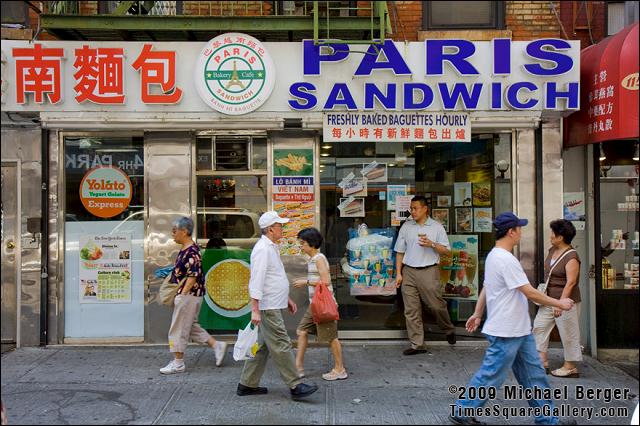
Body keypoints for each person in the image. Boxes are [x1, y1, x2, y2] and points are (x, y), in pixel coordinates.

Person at [449, 212, 576, 426]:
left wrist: (478, 313)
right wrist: (559, 303)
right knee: (492, 375)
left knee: (535, 377)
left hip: (518, 329)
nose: (521, 233)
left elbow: (487, 286)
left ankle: (548, 420)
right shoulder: (505, 259)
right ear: (511, 231)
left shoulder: (494, 256)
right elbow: (529, 292)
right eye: (519, 228)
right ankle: (463, 410)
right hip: (506, 330)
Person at [236, 211, 319, 400]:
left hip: (272, 303)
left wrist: (286, 298)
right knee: (281, 343)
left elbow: (274, 277)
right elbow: (256, 280)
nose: (283, 228)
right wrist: (255, 309)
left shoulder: (271, 247)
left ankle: (247, 384)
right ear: (271, 229)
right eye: (280, 225)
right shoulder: (263, 249)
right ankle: (295, 385)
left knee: (264, 346)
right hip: (267, 306)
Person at [160, 216, 228, 374]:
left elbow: (193, 276)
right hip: (188, 294)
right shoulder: (186, 249)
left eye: (175, 231)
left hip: (189, 295)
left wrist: (181, 295)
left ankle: (178, 363)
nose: (173, 234)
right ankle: (216, 345)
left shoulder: (191, 251)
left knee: (179, 328)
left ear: (184, 232)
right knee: (190, 326)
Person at [394, 195, 456, 355]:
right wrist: (398, 273)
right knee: (411, 310)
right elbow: (400, 251)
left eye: (415, 208)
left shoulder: (436, 227)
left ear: (424, 209)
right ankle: (417, 344)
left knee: (436, 305)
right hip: (408, 271)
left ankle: (448, 329)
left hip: (429, 270)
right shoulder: (406, 227)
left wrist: (432, 244)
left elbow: (446, 250)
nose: (412, 211)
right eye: (411, 208)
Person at [293, 227, 347, 381]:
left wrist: (306, 282)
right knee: (301, 331)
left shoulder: (319, 258)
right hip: (315, 304)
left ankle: (340, 369)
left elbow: (326, 281)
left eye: (303, 243)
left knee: (331, 337)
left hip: (324, 305)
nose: (301, 246)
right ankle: (298, 367)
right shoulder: (312, 259)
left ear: (311, 243)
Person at [533, 219, 582, 378]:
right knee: (539, 327)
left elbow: (571, 282)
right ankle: (542, 361)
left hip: (566, 301)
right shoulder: (552, 250)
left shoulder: (572, 256)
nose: (550, 236)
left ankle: (570, 366)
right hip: (548, 298)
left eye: (553, 233)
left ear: (560, 237)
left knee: (568, 333)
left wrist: (561, 304)